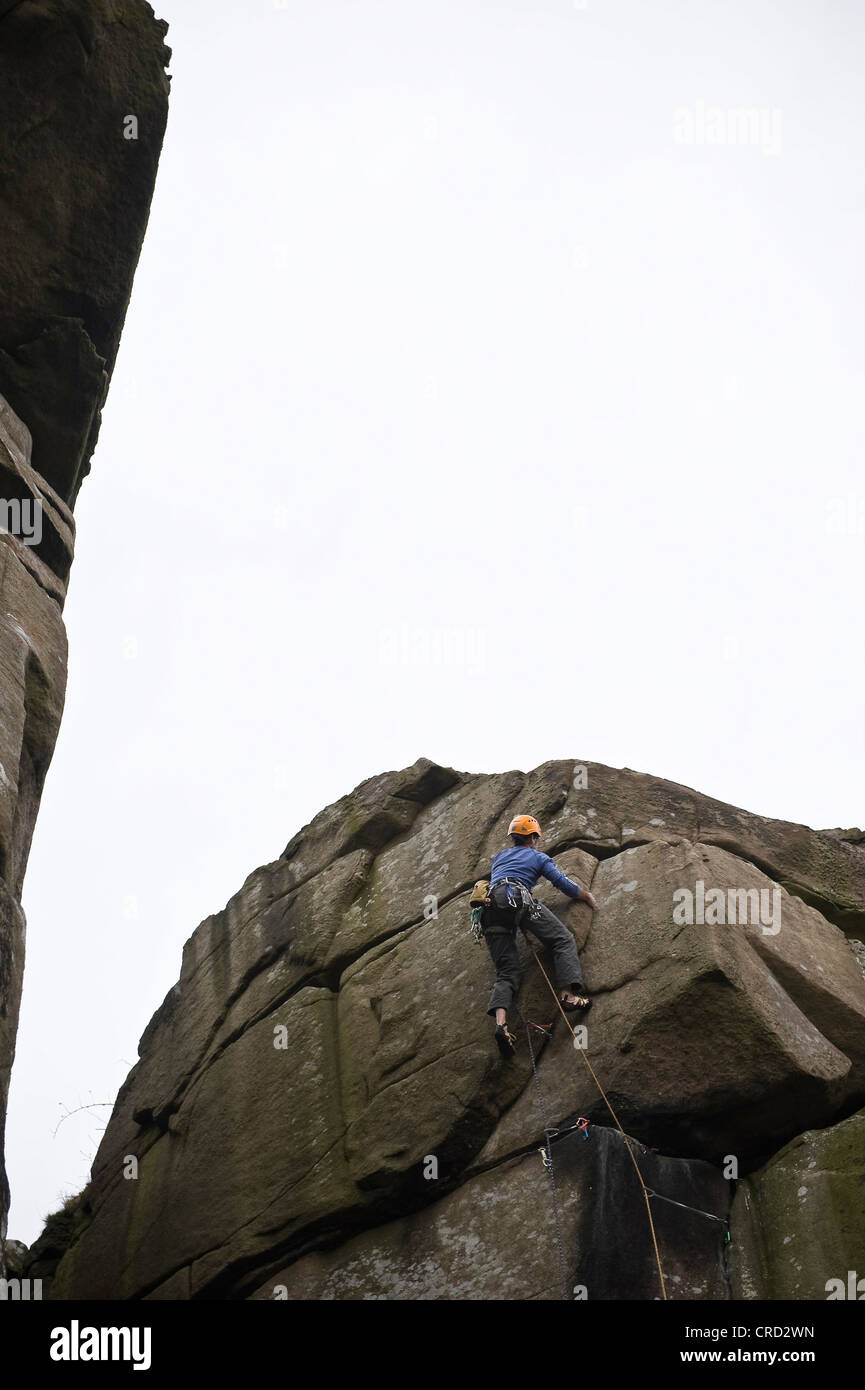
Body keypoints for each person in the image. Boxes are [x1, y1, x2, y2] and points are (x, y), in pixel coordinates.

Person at [482, 814, 597, 1059]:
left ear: (513, 837)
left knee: (507, 972)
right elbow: (562, 883)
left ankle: (501, 1025)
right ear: (533, 837)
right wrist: (584, 895)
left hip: (490, 909)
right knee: (561, 939)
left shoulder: (499, 858)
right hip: (518, 900)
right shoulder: (538, 857)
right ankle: (568, 996)